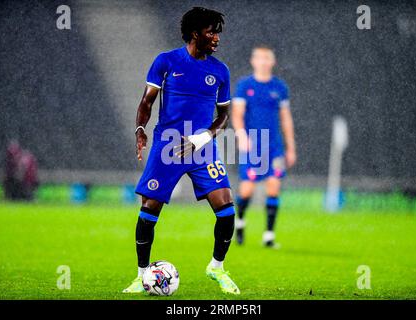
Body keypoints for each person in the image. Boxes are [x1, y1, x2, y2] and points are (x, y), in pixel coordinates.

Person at [123, 7, 240, 295]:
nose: (216, 38)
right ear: (194, 33)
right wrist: (140, 129)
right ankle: (141, 275)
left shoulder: (220, 70)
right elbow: (147, 102)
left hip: (201, 147)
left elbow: (225, 115)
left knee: (226, 208)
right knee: (149, 209)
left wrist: (205, 137)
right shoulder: (166, 61)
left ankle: (216, 267)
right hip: (169, 145)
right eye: (211, 32)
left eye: (217, 32)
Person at [231, 46, 297, 248]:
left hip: (274, 146)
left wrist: (291, 147)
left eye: (267, 58)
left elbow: (285, 119)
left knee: (274, 186)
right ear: (253, 61)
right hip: (253, 145)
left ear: (272, 61)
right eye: (259, 58)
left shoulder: (279, 88)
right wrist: (241, 135)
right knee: (246, 190)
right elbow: (237, 114)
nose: (263, 61)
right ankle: (240, 222)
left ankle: (269, 235)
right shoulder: (245, 85)